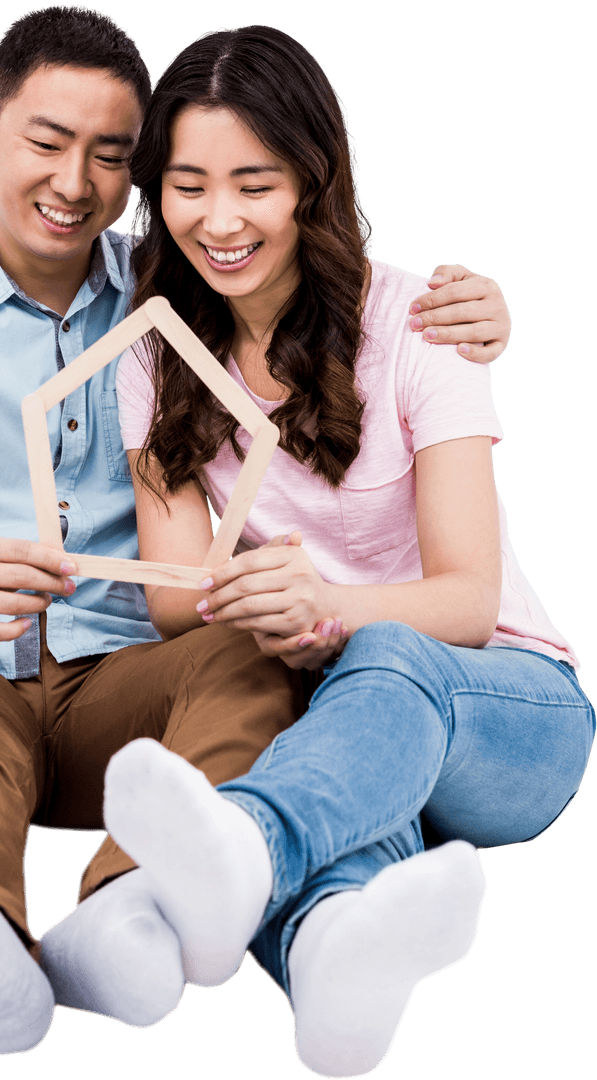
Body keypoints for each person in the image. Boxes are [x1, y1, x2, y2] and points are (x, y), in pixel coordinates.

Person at [0, 5, 514, 1059]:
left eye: (111, 157)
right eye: (46, 143)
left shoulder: (175, 288)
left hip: (127, 677)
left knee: (247, 659)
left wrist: (472, 313)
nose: (73, 183)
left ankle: (132, 913)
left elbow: (320, 286)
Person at [56, 24, 595, 1079]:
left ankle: (242, 849)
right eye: (187, 186)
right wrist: (263, 608)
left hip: (503, 709)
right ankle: (329, 960)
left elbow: (468, 599)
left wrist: (332, 608)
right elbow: (176, 602)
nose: (219, 221)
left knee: (375, 668)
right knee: (296, 738)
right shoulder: (155, 354)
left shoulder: (421, 324)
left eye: (253, 184)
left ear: (311, 180)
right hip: (341, 726)